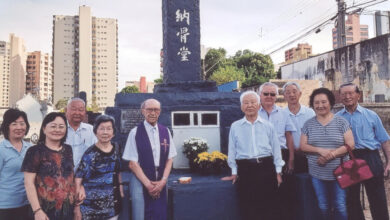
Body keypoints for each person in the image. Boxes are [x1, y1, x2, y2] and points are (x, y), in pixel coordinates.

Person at [222, 91, 284, 220]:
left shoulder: (268, 126)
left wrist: (278, 172)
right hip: (245, 169)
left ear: (259, 105)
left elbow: (276, 150)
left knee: (269, 206)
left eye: (252, 102)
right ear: (241, 107)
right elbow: (232, 150)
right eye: (246, 103)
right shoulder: (235, 126)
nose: (249, 105)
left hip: (266, 167)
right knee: (248, 207)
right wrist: (234, 171)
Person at [336, 83, 390, 220]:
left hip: (370, 157)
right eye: (344, 94)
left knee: (377, 197)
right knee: (351, 199)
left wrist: (389, 162)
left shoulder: (371, 115)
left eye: (351, 93)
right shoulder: (336, 118)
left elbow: (384, 140)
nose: (347, 97)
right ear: (340, 97)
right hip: (348, 158)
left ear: (358, 95)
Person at [300, 88, 355, 220]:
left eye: (324, 102)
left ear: (330, 103)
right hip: (317, 174)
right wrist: (320, 150)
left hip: (341, 172)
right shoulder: (308, 124)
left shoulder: (341, 122)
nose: (320, 105)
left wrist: (330, 155)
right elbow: (303, 146)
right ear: (312, 105)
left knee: (340, 205)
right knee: (323, 205)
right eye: (316, 103)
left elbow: (350, 145)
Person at [122, 98, 177, 220]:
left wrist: (163, 181)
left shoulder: (165, 131)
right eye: (149, 109)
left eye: (156, 110)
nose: (153, 113)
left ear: (160, 111)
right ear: (143, 111)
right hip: (140, 179)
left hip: (161, 178)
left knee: (160, 212)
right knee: (140, 213)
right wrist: (149, 185)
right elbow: (132, 163)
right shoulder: (135, 132)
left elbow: (170, 159)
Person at [22, 112, 76, 220]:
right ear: (44, 129)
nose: (57, 130)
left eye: (61, 126)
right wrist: (37, 211)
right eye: (53, 126)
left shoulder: (68, 149)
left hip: (67, 210)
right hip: (44, 212)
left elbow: (70, 177)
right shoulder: (34, 151)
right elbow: (29, 183)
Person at [258, 82, 296, 220]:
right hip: (262, 157)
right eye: (266, 94)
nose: (269, 96)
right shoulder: (253, 113)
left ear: (277, 96)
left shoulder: (284, 113)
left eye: (272, 94)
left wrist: (291, 160)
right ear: (260, 95)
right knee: (264, 193)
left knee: (284, 193)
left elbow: (289, 136)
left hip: (282, 155)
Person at [75, 115, 123, 220]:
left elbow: (118, 170)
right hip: (91, 209)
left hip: (112, 208)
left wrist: (121, 188)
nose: (105, 132)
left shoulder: (117, 149)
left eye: (109, 129)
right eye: (102, 128)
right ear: (96, 131)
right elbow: (78, 179)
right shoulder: (90, 154)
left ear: (113, 132)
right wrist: (77, 208)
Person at [65, 98, 96, 220]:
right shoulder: (60, 129)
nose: (77, 112)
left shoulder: (91, 130)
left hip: (85, 183)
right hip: (63, 183)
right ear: (66, 111)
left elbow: (95, 158)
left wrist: (81, 183)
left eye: (81, 110)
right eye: (73, 109)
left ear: (85, 113)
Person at [0, 109, 32, 219]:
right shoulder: (1, 149)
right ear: (7, 126)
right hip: (5, 207)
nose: (19, 127)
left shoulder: (31, 148)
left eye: (22, 124)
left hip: (28, 204)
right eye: (14, 124)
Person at [282, 82, 315, 173]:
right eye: (288, 92)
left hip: (308, 154)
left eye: (294, 91)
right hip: (289, 155)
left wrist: (304, 148)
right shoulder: (281, 114)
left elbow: (314, 133)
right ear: (284, 95)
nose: (291, 95)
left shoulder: (310, 112)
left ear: (300, 94)